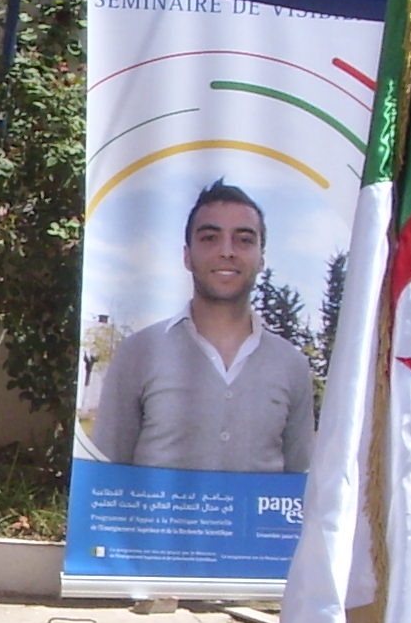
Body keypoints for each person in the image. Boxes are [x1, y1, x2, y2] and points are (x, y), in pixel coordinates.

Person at [85, 180, 318, 473]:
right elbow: (105, 476)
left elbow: (300, 484)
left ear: (261, 259)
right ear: (187, 256)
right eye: (210, 238)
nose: (227, 251)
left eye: (244, 240)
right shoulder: (138, 353)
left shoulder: (292, 365)